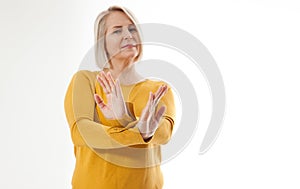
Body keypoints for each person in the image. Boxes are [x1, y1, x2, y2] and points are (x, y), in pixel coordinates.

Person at [64, 5, 176, 189]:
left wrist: (125, 118)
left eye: (132, 28)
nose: (128, 35)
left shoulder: (159, 89)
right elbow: (81, 132)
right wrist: (140, 132)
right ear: (102, 42)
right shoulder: (85, 81)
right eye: (117, 31)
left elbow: (163, 133)